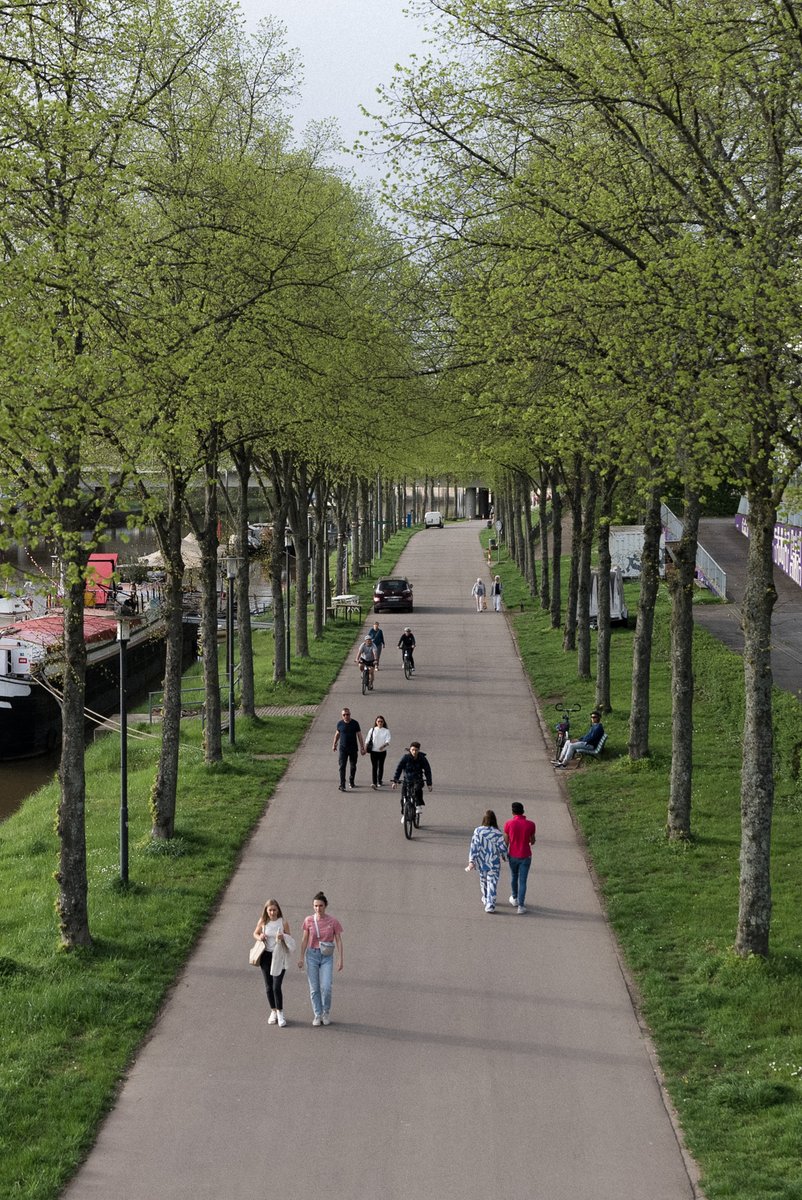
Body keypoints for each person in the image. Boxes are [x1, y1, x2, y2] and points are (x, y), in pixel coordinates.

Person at [297, 892, 344, 1027]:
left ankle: (326, 1012)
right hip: (311, 955)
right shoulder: (308, 920)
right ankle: (317, 1014)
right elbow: (304, 939)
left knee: (326, 986)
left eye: (320, 906)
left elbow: (339, 941)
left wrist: (341, 959)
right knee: (314, 988)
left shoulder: (333, 921)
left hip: (327, 956)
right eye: (315, 906)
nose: (318, 908)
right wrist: (301, 957)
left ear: (326, 906)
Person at [252, 898, 295, 1027]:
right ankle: (273, 1011)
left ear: (278, 910)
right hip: (266, 956)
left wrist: (283, 937)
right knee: (268, 987)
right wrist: (260, 937)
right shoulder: (263, 921)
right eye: (269, 910)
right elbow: (255, 933)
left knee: (277, 986)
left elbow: (290, 939)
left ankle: (280, 1012)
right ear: (266, 910)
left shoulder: (283, 922)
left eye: (274, 910)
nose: (272, 912)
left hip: (279, 956)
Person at [466, 810, 508, 912]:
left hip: (482, 861)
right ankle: (490, 904)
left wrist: (472, 861)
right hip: (493, 862)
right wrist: (504, 856)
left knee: (483, 880)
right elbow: (502, 847)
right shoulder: (497, 833)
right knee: (492, 882)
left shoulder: (478, 831)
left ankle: (485, 897)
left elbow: (474, 847)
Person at [503, 801, 536, 914]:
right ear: (523, 811)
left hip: (513, 855)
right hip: (526, 855)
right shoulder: (531, 824)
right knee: (523, 881)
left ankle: (514, 898)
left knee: (514, 876)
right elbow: (532, 841)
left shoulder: (508, 824)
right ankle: (521, 906)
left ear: (513, 812)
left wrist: (503, 853)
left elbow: (506, 842)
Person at [391, 741, 432, 820]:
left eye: (416, 750)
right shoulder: (405, 758)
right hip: (407, 780)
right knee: (403, 798)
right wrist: (395, 781)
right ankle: (404, 815)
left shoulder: (422, 758)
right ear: (410, 750)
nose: (414, 752)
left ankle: (418, 805)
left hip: (418, 779)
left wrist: (429, 784)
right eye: (412, 750)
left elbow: (427, 770)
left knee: (417, 790)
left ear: (419, 750)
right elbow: (398, 769)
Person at [332, 707, 366, 791]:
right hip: (343, 749)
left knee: (353, 766)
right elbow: (337, 734)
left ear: (350, 715)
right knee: (342, 766)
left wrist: (362, 747)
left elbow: (359, 735)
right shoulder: (340, 724)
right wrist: (334, 744)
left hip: (353, 749)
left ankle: (351, 781)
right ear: (342, 716)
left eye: (347, 714)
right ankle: (342, 784)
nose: (346, 716)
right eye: (344, 715)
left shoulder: (355, 723)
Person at [366, 714, 391, 789]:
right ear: (376, 722)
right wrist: (364, 748)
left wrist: (383, 746)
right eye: (378, 721)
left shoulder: (386, 731)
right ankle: (374, 782)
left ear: (383, 722)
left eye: (381, 721)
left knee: (380, 766)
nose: (380, 723)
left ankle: (379, 780)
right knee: (374, 766)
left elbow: (388, 740)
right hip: (374, 751)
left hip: (382, 752)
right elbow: (367, 739)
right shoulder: (372, 730)